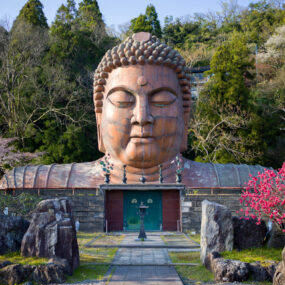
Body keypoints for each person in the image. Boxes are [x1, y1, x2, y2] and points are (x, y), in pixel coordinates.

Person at [0, 32, 267, 189]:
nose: (142, 117)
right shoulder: (36, 182)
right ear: (99, 120)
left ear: (185, 119)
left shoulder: (248, 182)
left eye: (161, 100)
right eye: (124, 101)